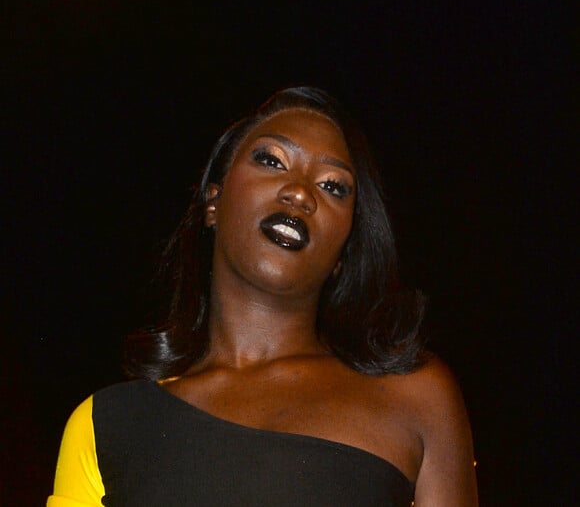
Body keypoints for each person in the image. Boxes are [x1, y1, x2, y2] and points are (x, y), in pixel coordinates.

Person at [48, 87, 478, 506]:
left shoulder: (414, 397)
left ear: (343, 254)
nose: (300, 192)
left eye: (334, 187)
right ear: (212, 202)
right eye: (272, 160)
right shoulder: (109, 425)